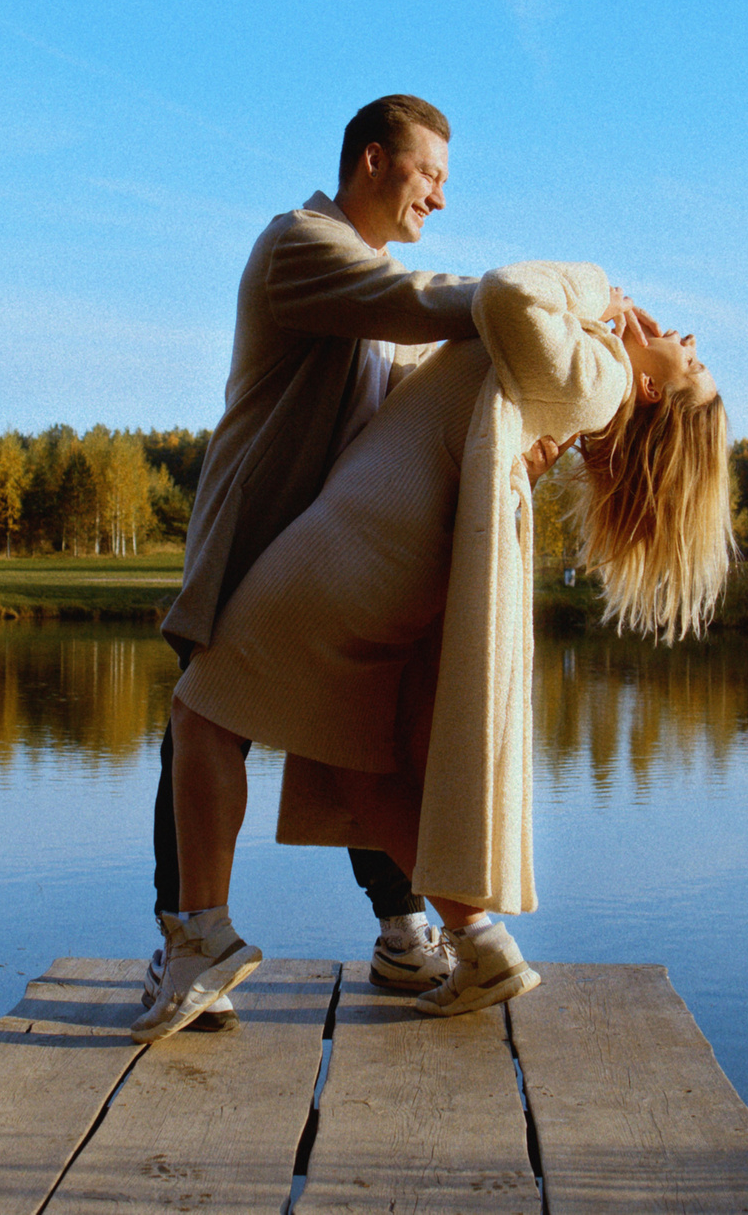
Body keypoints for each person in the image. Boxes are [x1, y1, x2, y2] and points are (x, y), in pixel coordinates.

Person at [137, 262, 731, 1040]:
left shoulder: (603, 375)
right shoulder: (586, 372)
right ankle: (481, 947)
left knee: (202, 711)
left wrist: (597, 291)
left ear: (653, 394)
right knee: (359, 770)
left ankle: (200, 939)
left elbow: (508, 294)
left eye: (693, 362)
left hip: (352, 549)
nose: (687, 340)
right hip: (386, 549)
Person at [142, 95, 481, 1035]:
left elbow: (412, 391)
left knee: (351, 735)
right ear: (373, 162)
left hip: (323, 553)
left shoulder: (364, 278)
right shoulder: (304, 245)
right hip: (251, 537)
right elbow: (422, 305)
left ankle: (404, 928)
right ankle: (188, 943)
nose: (440, 199)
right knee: (203, 731)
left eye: (446, 183)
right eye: (429, 176)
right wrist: (526, 300)